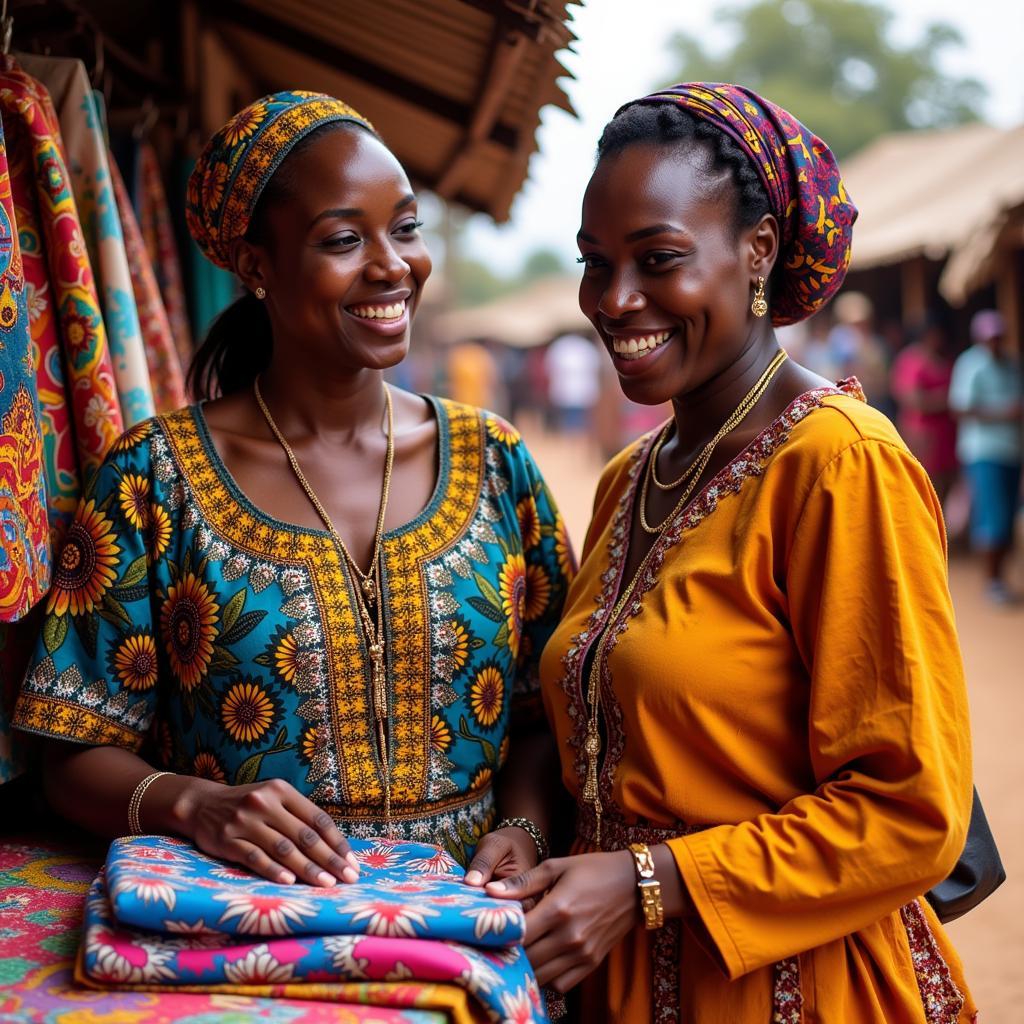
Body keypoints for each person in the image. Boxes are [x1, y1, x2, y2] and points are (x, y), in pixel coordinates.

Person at [479, 84, 975, 1022]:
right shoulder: (630, 478)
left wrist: (648, 883)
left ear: (758, 251)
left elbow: (912, 810)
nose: (615, 300)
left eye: (658, 259)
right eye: (595, 265)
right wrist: (525, 825)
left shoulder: (839, 464)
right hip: (618, 988)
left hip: (790, 989)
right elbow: (592, 715)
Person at [13, 92, 572, 890]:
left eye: (406, 228)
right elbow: (68, 754)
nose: (393, 265)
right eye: (344, 239)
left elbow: (547, 709)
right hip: (250, 946)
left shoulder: (496, 463)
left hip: (470, 931)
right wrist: (193, 805)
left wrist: (523, 824)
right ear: (255, 267)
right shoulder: (152, 481)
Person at [949, 309, 1022, 604]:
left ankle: (1000, 577)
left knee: (1006, 517)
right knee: (992, 516)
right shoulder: (971, 365)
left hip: (1011, 451)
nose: (995, 342)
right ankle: (992, 581)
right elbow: (961, 407)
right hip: (983, 451)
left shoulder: (1013, 365)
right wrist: (1003, 414)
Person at [890, 314, 958, 505]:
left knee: (946, 488)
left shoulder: (945, 358)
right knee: (923, 486)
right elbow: (910, 398)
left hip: (946, 435)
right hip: (921, 435)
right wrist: (946, 400)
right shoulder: (911, 360)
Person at [544, 330, 602, 432]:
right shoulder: (586, 346)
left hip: (568, 391)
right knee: (577, 423)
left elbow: (549, 368)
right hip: (580, 391)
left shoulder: (559, 346)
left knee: (570, 422)